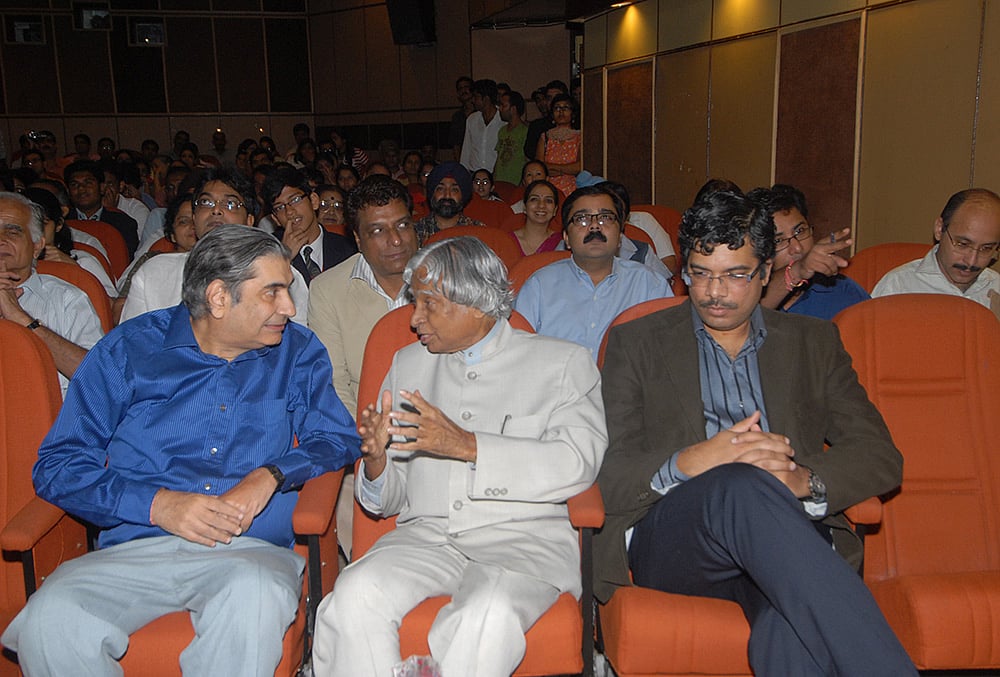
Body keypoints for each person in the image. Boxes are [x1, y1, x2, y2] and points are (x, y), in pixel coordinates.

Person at [2, 225, 361, 677]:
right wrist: (158, 504)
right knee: (48, 620)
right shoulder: (128, 350)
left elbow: (337, 438)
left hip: (247, 552)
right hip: (136, 547)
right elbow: (59, 465)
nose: (289, 307)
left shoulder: (296, 351)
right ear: (218, 298)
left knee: (254, 598)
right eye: (273, 292)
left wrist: (270, 474)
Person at [594, 189, 917, 676]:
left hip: (787, 534)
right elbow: (608, 474)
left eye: (735, 275)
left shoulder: (812, 343)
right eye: (700, 274)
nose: (714, 292)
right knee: (739, 485)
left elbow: (879, 454)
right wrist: (694, 460)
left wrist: (803, 480)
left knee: (789, 630)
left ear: (767, 271)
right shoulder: (637, 343)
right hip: (676, 540)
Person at [311, 236, 607, 677]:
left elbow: (577, 463)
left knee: (487, 614)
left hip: (521, 542)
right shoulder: (408, 363)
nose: (414, 318)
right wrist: (375, 463)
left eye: (428, 304)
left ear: (478, 303)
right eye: (415, 302)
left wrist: (468, 445)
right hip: (428, 538)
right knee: (354, 594)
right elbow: (387, 501)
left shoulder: (562, 364)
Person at [309, 175, 421, 560]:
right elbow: (334, 383)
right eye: (378, 231)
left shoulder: (446, 278)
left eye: (403, 225)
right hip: (364, 439)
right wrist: (372, 443)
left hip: (443, 432)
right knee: (348, 491)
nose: (396, 240)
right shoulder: (328, 290)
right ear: (357, 238)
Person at [120, 167, 309, 325]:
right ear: (195, 217)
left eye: (230, 203)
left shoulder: (282, 277)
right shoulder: (154, 273)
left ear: (249, 221)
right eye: (206, 202)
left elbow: (296, 349)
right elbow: (132, 346)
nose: (216, 210)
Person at [515, 185, 672, 359]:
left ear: (620, 236)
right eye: (582, 219)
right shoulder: (539, 285)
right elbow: (516, 353)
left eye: (606, 218)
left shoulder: (650, 284)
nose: (595, 226)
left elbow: (669, 352)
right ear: (566, 238)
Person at [0, 191, 104, 395]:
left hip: (52, 414)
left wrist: (20, 318)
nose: (0, 240)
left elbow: (98, 378)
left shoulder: (67, 299)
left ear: (37, 246)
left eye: (12, 232)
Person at [873, 188, 1000, 318]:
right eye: (962, 244)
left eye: (986, 248)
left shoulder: (996, 285)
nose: (971, 261)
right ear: (939, 229)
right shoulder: (898, 287)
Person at [749, 184, 869, 320]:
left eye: (800, 231)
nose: (797, 248)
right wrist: (796, 271)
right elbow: (748, 318)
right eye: (778, 240)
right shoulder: (739, 295)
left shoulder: (844, 293)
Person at [262, 166, 356, 285]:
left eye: (295, 200)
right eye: (280, 207)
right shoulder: (266, 252)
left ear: (314, 201)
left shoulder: (348, 247)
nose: (289, 212)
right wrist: (284, 258)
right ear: (275, 219)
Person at [64, 160, 140, 258]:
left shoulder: (124, 224)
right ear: (68, 191)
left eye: (88, 183)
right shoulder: (62, 222)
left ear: (102, 188)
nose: (81, 189)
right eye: (74, 185)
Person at [413, 161, 484, 244]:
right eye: (440, 189)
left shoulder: (478, 231)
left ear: (463, 196)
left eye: (454, 190)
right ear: (432, 194)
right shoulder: (416, 231)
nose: (447, 195)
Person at [536, 94, 580, 198]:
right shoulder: (545, 137)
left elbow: (579, 167)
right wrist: (567, 169)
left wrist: (552, 168)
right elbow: (539, 168)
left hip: (574, 190)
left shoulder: (580, 137)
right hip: (548, 191)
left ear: (573, 113)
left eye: (565, 108)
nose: (561, 111)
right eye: (557, 108)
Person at [460, 79, 503, 173]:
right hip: (474, 172)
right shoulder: (472, 119)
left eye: (476, 97)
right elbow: (466, 150)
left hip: (495, 173)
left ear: (486, 99)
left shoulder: (503, 120)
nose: (473, 100)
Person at [512, 179, 562, 255]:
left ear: (555, 210)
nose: (541, 205)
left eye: (548, 200)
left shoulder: (562, 243)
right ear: (524, 207)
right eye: (534, 199)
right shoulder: (508, 241)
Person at [493, 90, 529, 186]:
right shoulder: (502, 131)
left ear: (513, 109)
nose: (500, 109)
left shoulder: (525, 131)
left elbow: (527, 160)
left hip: (516, 182)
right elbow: (498, 157)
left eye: (503, 106)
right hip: (500, 182)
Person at [448, 76, 475, 161]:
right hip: (464, 160)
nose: (463, 91)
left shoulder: (481, 113)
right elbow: (456, 144)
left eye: (466, 87)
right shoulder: (457, 117)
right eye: (460, 88)